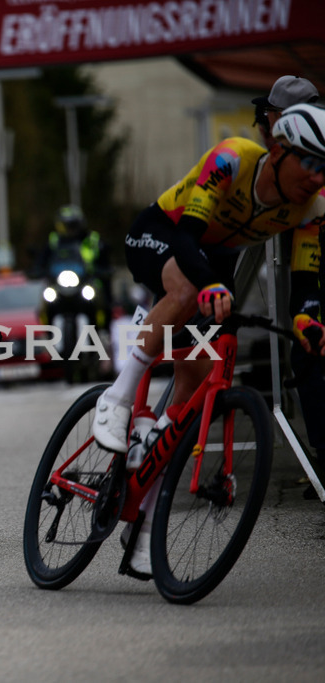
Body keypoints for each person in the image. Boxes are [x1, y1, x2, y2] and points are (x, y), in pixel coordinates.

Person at [91, 104, 325, 576]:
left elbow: (305, 284)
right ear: (279, 150)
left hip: (214, 263)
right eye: (311, 163)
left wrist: (307, 319)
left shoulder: (313, 209)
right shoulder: (231, 159)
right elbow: (187, 234)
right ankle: (116, 398)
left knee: (192, 392)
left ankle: (145, 525)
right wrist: (209, 284)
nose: (317, 178)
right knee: (187, 288)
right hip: (162, 235)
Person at [252, 76, 325, 499]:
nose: (266, 125)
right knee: (308, 347)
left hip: (311, 258)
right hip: (308, 255)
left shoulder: (303, 151)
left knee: (310, 353)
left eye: (270, 116)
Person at [37, 204, 112, 329]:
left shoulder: (92, 239)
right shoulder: (54, 240)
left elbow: (103, 257)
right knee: (46, 298)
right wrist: (38, 268)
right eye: (67, 225)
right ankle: (46, 331)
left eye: (72, 225)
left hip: (87, 279)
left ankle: (104, 329)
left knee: (102, 297)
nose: (69, 228)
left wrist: (103, 269)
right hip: (59, 283)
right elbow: (43, 258)